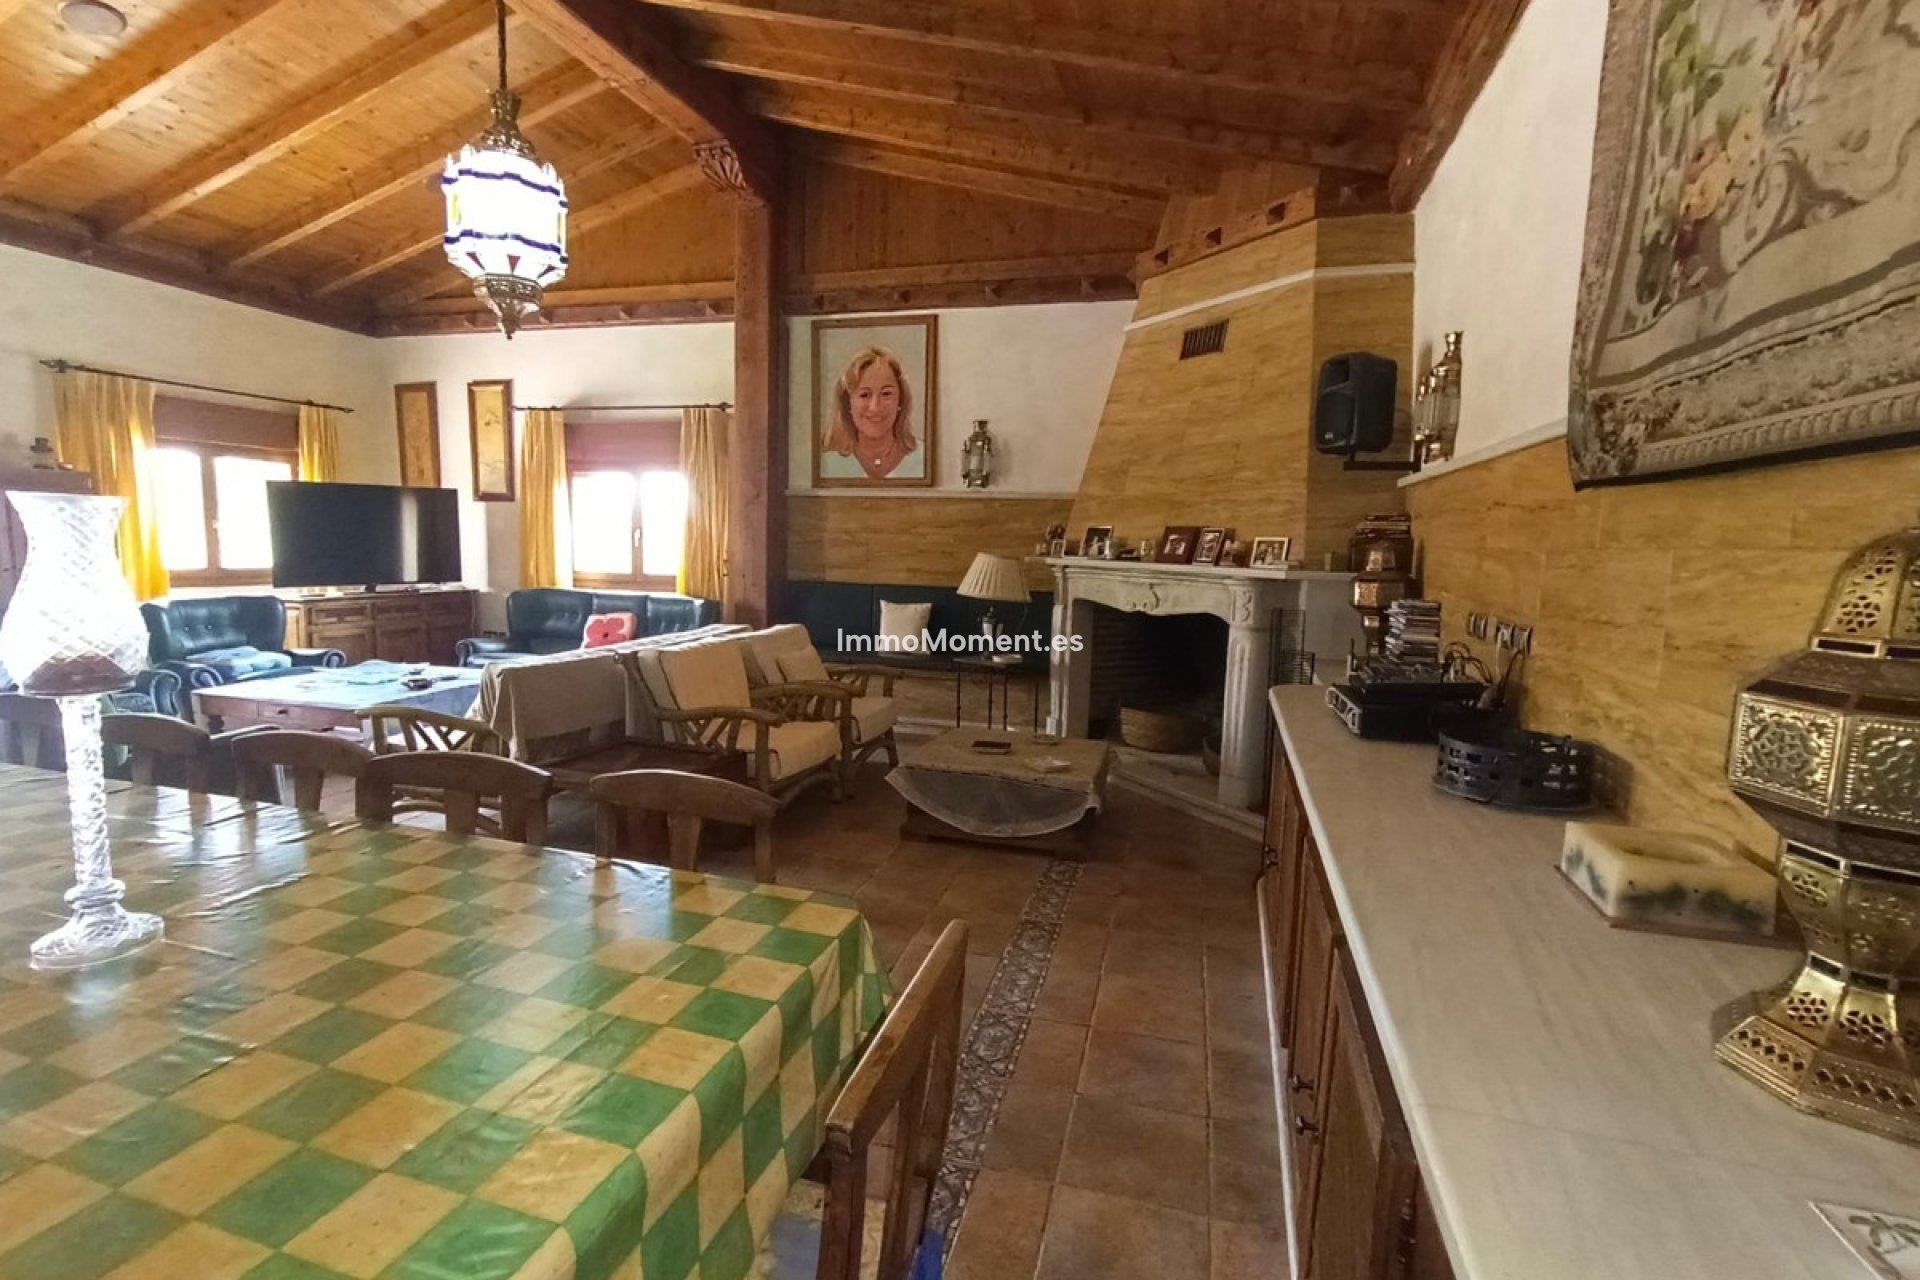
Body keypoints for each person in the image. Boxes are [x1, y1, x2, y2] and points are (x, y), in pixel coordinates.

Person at [821, 347, 921, 480]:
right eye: (864, 395)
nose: (875, 407)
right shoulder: (827, 466)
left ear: (900, 400)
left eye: (886, 394)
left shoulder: (923, 459)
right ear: (848, 404)